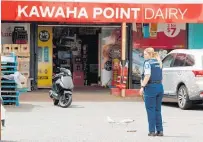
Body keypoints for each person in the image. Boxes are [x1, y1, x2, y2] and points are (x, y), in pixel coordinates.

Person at [139, 47, 164, 137]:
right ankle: (160, 131)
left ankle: (152, 131)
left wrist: (142, 87)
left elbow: (147, 75)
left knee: (150, 110)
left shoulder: (147, 63)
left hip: (150, 88)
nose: (144, 56)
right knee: (158, 110)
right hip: (160, 87)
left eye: (145, 54)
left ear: (150, 54)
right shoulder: (158, 62)